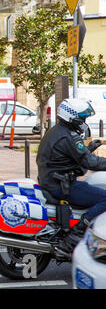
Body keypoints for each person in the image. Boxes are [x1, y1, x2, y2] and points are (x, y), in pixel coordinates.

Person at [36, 98, 106, 256]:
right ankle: (76, 235)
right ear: (71, 117)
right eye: (82, 118)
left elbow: (69, 155)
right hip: (61, 186)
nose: (83, 121)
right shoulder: (69, 136)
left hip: (52, 180)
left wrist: (88, 148)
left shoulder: (57, 131)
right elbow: (90, 162)